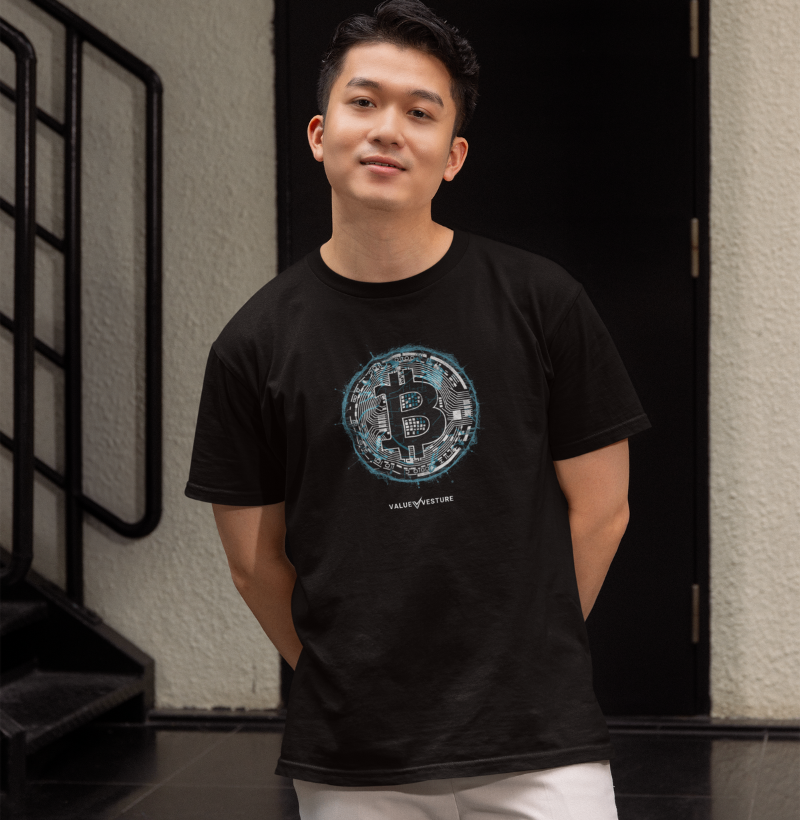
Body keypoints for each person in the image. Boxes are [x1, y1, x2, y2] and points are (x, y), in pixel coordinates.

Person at [185, 1, 652, 817]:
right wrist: (342, 676)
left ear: (453, 155)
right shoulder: (253, 343)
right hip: (353, 749)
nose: (387, 130)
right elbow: (254, 563)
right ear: (319, 134)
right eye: (363, 102)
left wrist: (524, 659)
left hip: (538, 734)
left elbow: (603, 511)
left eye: (420, 112)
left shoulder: (542, 301)